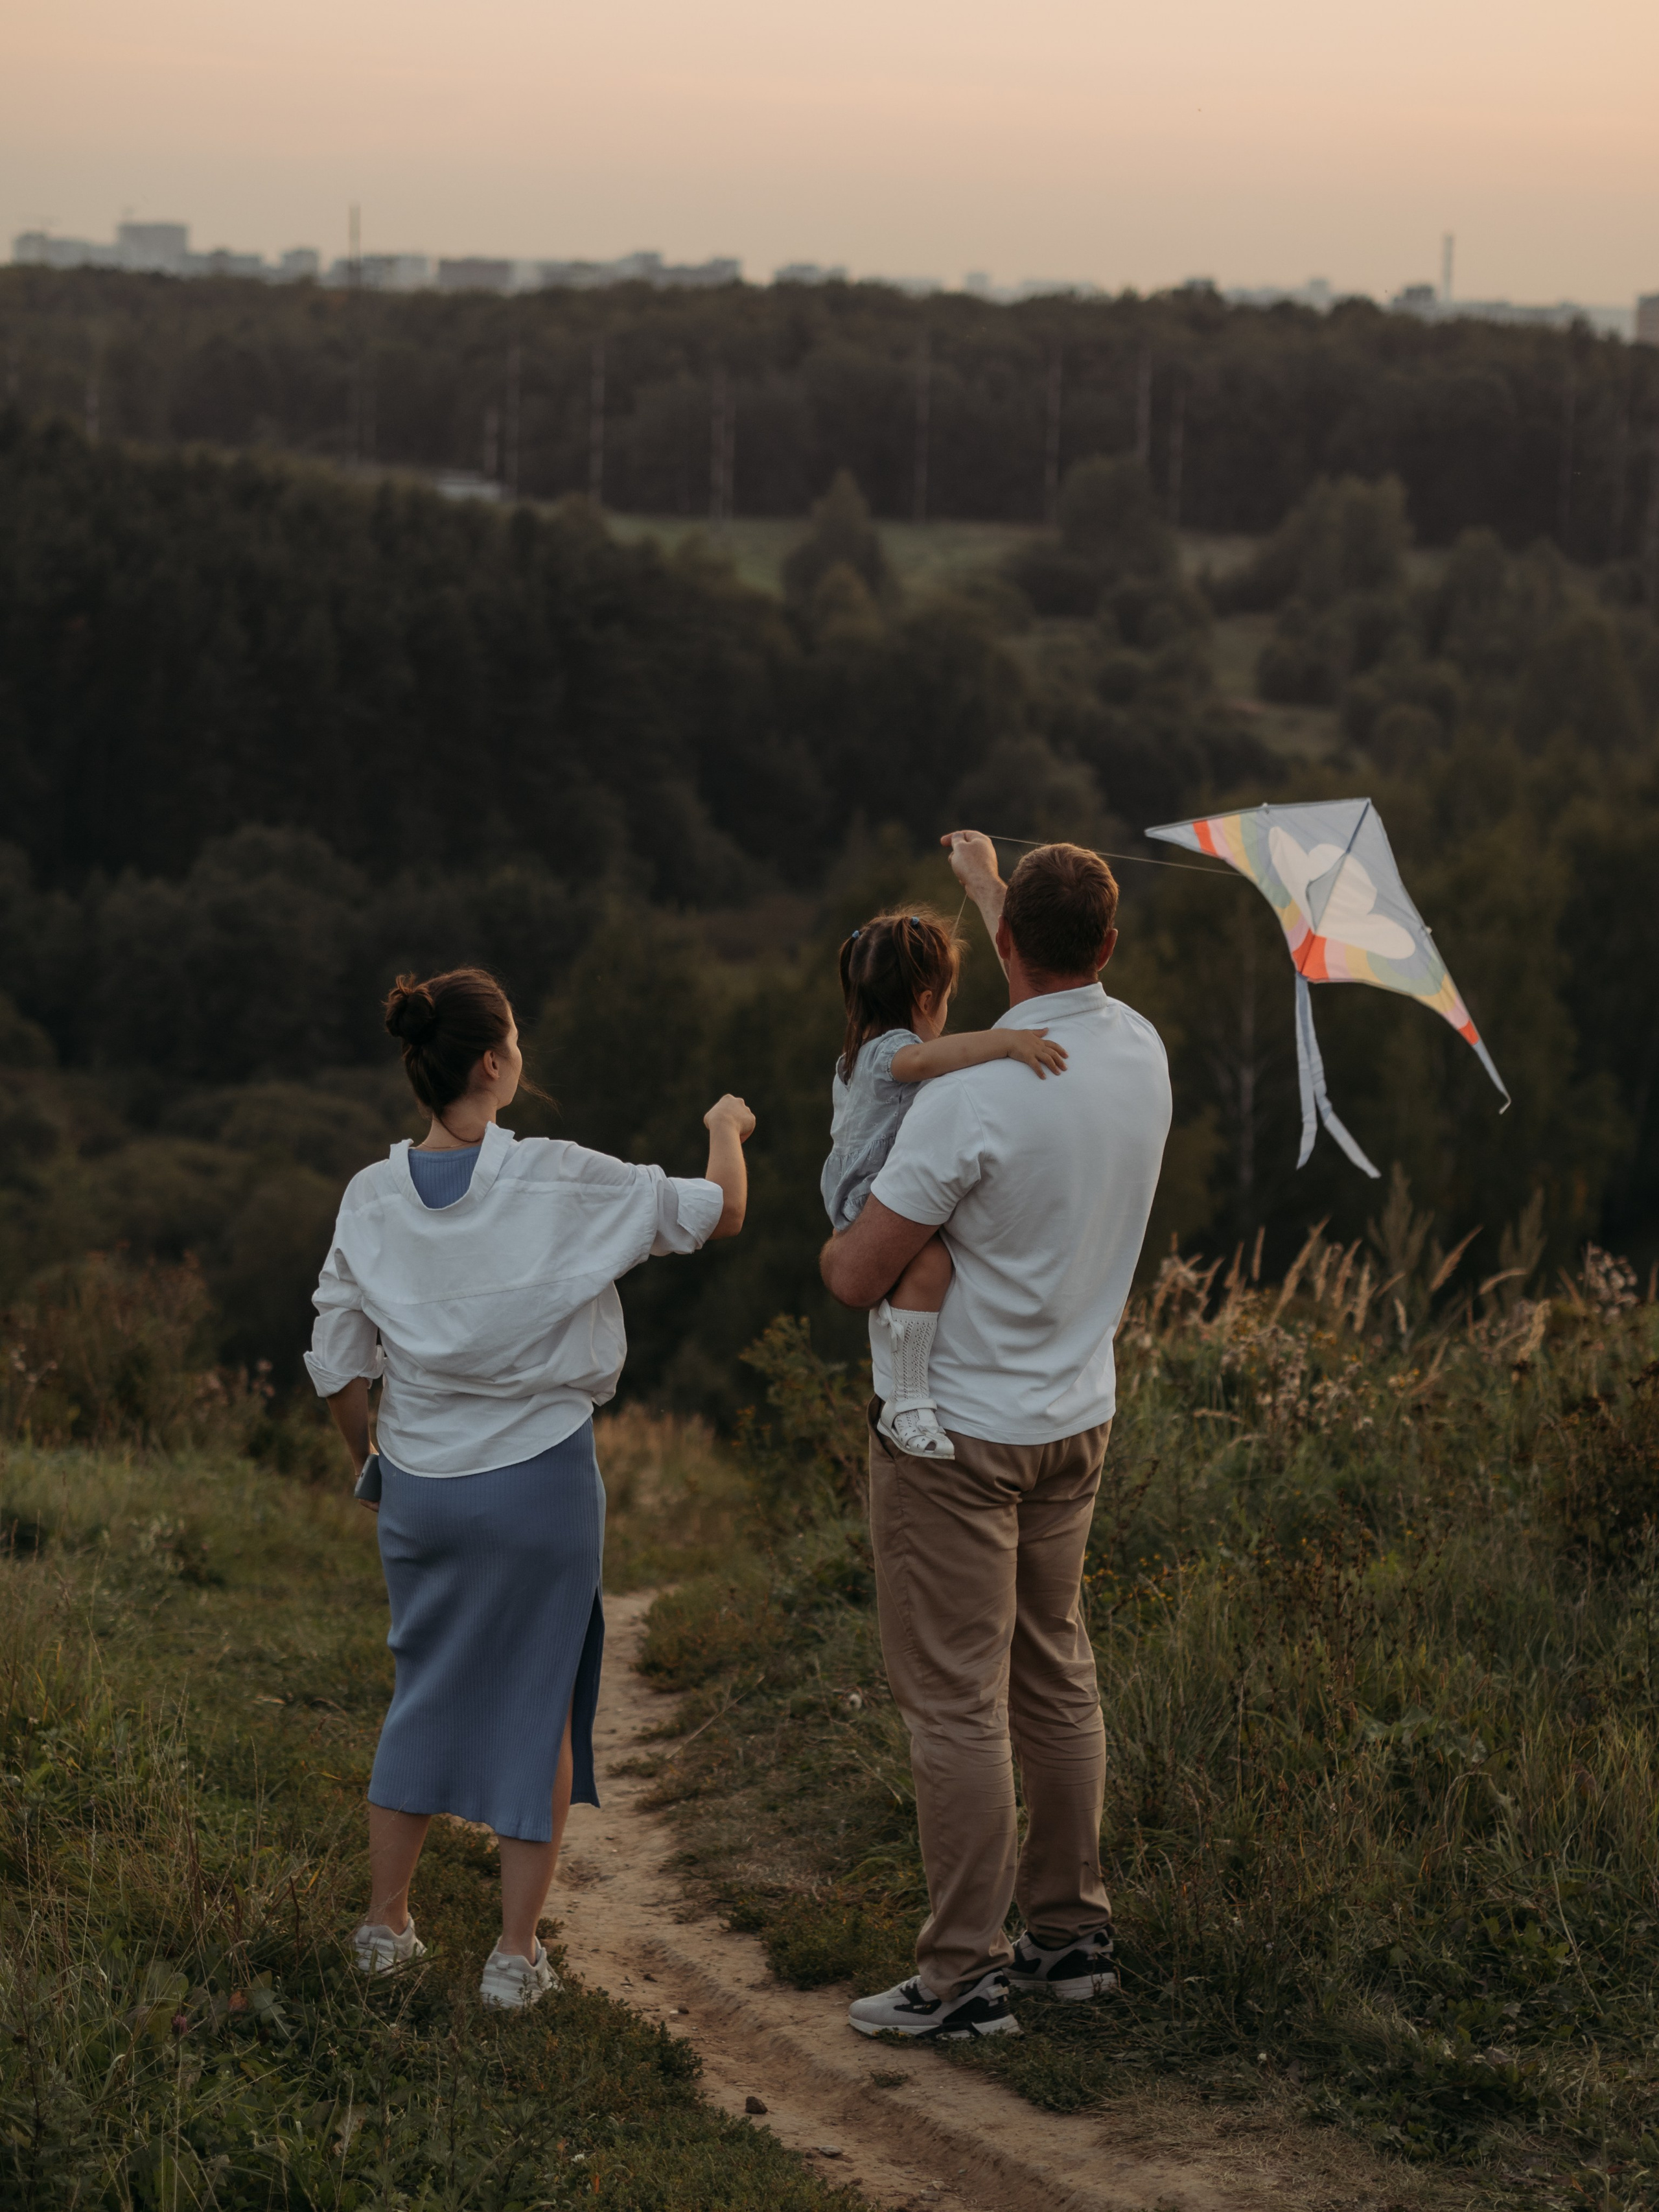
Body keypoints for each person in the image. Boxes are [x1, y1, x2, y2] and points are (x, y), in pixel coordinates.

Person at [304, 966, 754, 2010]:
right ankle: (514, 1959)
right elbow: (720, 1211)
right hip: (541, 1479)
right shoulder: (560, 1176)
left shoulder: (369, 1197)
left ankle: (385, 1926)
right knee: (538, 1704)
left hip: (416, 1480)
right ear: (497, 1064)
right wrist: (725, 1122)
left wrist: (367, 1458)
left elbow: (337, 1361)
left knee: (424, 1689)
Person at [820, 835, 1170, 2041]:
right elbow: (1051, 969)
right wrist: (994, 883)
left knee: (956, 1701)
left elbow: (862, 1271)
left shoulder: (960, 1094)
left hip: (957, 1434)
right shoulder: (1141, 1051)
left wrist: (833, 1245)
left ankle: (962, 1976)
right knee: (1054, 1667)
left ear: (1007, 945)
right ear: (1110, 946)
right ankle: (1070, 1942)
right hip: (1077, 1415)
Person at [821, 908, 1067, 1461]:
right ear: (928, 999)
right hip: (868, 1197)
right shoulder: (892, 1051)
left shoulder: (858, 1052)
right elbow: (933, 1055)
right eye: (948, 998)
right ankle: (906, 1398)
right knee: (931, 1265)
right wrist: (1007, 1043)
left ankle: (905, 1360)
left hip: (857, 1189)